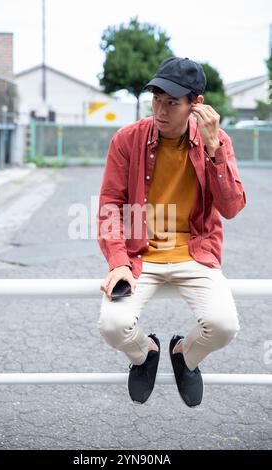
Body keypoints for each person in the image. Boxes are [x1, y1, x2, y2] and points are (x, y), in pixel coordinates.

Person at [96, 57, 246, 407]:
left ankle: (184, 355)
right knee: (112, 326)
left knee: (223, 326)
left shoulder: (217, 141)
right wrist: (117, 260)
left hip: (195, 250)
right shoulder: (127, 139)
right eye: (156, 100)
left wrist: (213, 150)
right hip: (138, 254)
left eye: (172, 103)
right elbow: (109, 206)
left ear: (196, 105)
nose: (160, 111)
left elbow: (232, 207)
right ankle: (145, 353)